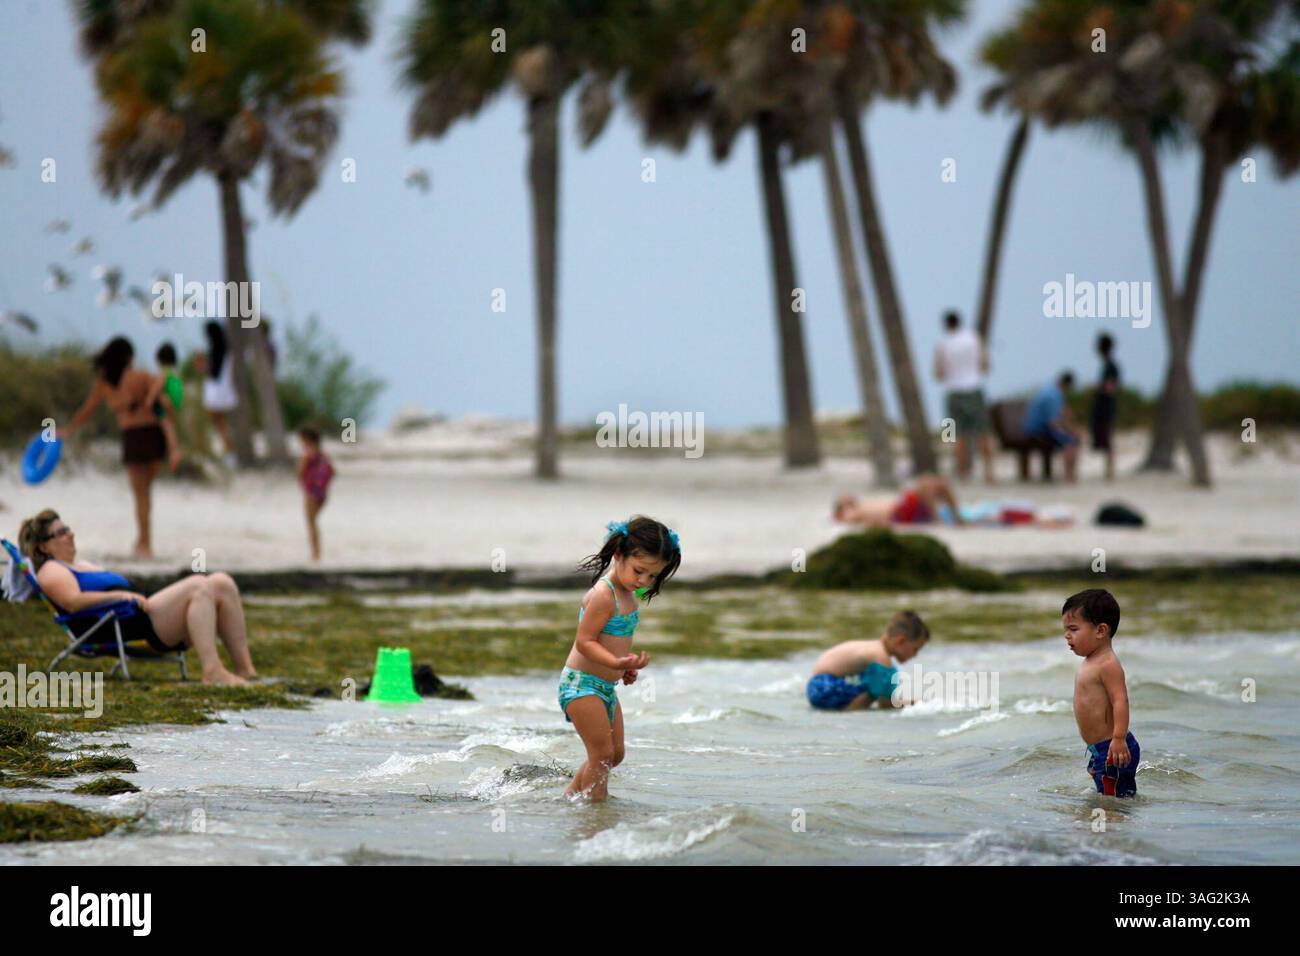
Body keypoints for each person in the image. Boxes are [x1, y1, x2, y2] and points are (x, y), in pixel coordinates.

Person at [18, 509, 258, 686]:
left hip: (138, 613)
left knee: (222, 583)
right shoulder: (51, 570)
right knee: (198, 585)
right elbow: (73, 601)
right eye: (60, 533)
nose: (70, 535)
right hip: (127, 623)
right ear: (43, 547)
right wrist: (122, 595)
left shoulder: (81, 565)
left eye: (68, 529)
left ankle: (246, 669)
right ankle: (212, 670)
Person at [559, 516, 681, 801]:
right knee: (601, 755)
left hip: (604, 685)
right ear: (618, 555)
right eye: (639, 571)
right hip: (581, 685)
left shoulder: (628, 594)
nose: (644, 581)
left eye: (653, 576)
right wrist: (614, 663)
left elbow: (610, 643)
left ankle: (571, 799)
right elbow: (585, 641)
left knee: (615, 755)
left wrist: (622, 665)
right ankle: (594, 814)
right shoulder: (604, 594)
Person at [63, 337, 172, 558]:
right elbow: (166, 404)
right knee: (146, 493)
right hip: (153, 436)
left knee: (140, 494)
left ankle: (144, 542)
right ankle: (144, 541)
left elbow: (87, 410)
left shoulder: (104, 385)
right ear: (129, 357)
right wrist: (174, 443)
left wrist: (68, 430)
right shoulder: (141, 376)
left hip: (133, 437)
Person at [1064, 588, 1138, 797]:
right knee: (1116, 798)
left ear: (1100, 630)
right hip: (1101, 750)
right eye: (1066, 630)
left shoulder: (1107, 664)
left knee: (1113, 804)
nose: (1067, 635)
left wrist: (1118, 738)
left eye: (1074, 629)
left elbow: (1120, 700)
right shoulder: (1091, 661)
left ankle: (1114, 829)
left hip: (1113, 748)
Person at [806, 611, 929, 710]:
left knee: (879, 680)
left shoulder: (872, 647)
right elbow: (886, 703)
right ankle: (850, 711)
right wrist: (918, 703)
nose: (915, 655)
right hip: (825, 688)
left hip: (816, 686)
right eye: (915, 649)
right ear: (900, 641)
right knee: (879, 683)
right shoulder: (881, 658)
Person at [934, 311, 994, 483]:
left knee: (952, 434)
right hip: (974, 389)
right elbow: (985, 365)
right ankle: (989, 473)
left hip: (952, 392)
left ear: (946, 324)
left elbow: (938, 373)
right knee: (983, 432)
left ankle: (962, 473)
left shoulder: (942, 344)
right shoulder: (974, 339)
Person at [832, 474, 965, 527]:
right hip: (899, 514)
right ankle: (941, 518)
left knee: (938, 484)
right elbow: (847, 519)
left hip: (901, 509)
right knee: (928, 484)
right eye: (844, 499)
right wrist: (844, 514)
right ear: (841, 507)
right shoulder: (849, 511)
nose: (847, 496)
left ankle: (955, 517)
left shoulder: (858, 505)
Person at [1023, 371, 1081, 483]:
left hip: (1033, 428)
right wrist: (1072, 431)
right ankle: (1069, 476)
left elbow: (1063, 415)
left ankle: (1069, 475)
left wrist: (1070, 427)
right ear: (1067, 385)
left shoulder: (1050, 391)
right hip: (1037, 431)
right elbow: (1053, 422)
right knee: (1071, 441)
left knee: (1071, 437)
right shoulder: (1053, 396)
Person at [200, 321, 238, 464]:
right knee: (221, 423)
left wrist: (204, 367)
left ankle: (229, 453)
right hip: (223, 388)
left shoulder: (217, 349)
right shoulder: (225, 347)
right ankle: (228, 452)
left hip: (216, 390)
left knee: (219, 423)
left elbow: (213, 373)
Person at [297, 424, 334, 562]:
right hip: (322, 492)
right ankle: (317, 553)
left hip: (311, 491)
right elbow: (333, 472)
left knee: (311, 523)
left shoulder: (308, 454)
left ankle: (315, 554)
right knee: (314, 522)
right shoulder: (324, 455)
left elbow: (300, 472)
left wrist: (304, 483)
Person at [149, 342, 184, 473]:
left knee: (168, 429)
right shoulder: (176, 373)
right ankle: (174, 453)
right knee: (171, 430)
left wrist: (149, 402)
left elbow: (155, 391)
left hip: (165, 407)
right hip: (176, 406)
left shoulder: (164, 373)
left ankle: (174, 455)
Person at [1091, 334, 1121, 481]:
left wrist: (1098, 388)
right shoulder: (1109, 365)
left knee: (1108, 440)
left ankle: (1110, 473)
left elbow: (1110, 388)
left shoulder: (1111, 366)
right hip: (1105, 407)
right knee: (1107, 440)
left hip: (1106, 408)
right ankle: (1109, 472)